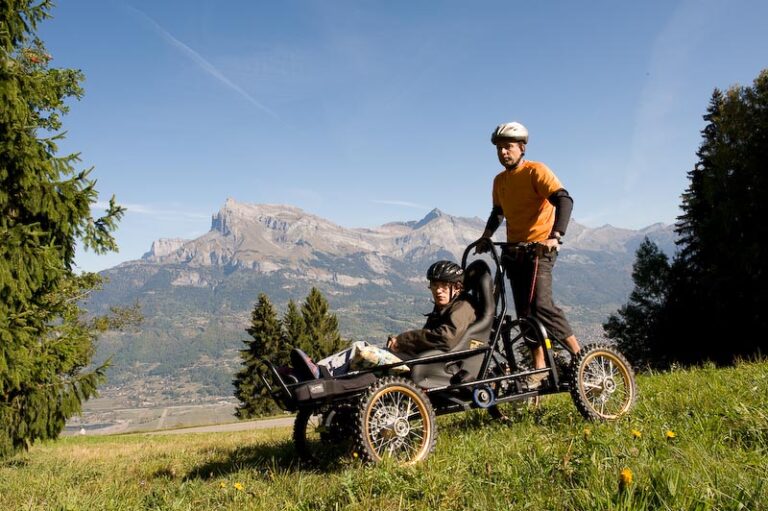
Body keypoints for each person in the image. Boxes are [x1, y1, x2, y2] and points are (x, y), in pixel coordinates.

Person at [476, 121, 580, 388]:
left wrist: (555, 236)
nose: (503, 153)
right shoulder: (499, 180)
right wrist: (486, 236)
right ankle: (540, 367)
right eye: (499, 148)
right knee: (524, 313)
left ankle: (580, 357)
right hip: (515, 252)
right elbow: (498, 212)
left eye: (508, 147)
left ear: (521, 148)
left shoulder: (536, 171)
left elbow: (564, 199)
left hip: (539, 251)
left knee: (541, 306)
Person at [387, 260, 476, 360]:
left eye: (444, 285)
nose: (438, 290)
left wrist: (403, 341)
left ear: (457, 287)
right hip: (429, 358)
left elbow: (446, 338)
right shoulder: (446, 305)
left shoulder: (463, 306)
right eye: (435, 285)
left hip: (441, 364)